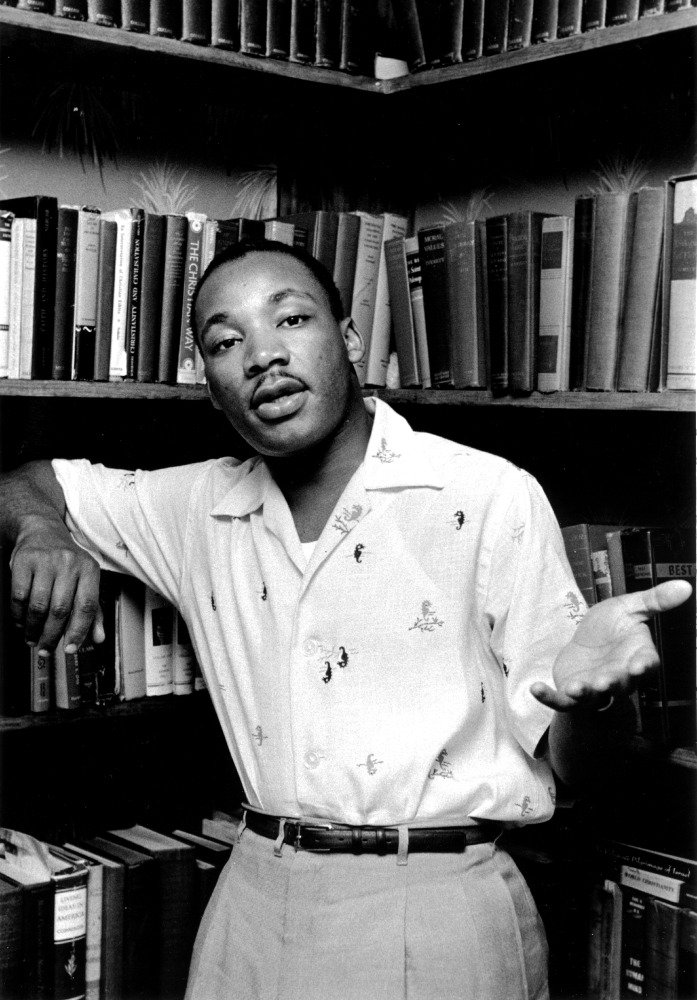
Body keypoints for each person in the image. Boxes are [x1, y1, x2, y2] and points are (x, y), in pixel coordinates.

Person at [0, 240, 690, 1000]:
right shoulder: (196, 507)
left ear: (350, 339)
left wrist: (592, 702)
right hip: (250, 904)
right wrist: (39, 529)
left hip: (437, 906)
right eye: (226, 342)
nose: (263, 355)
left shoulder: (487, 494)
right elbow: (27, 483)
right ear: (212, 389)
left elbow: (585, 775)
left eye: (291, 319)